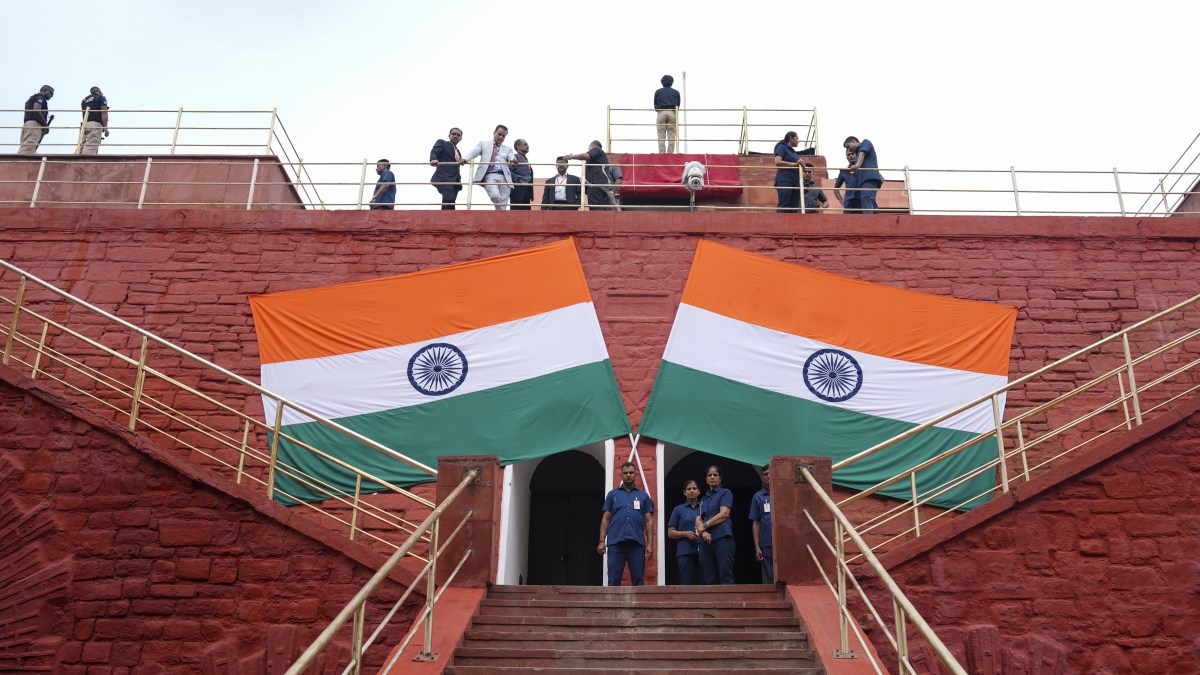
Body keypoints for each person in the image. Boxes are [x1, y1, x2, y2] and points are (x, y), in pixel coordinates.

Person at [598, 462, 654, 586]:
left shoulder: (643, 496)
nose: (628, 475)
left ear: (636, 475)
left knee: (638, 581)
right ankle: (613, 606)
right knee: (613, 580)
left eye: (631, 473)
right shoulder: (613, 494)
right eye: (625, 473)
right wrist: (602, 541)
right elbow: (605, 519)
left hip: (637, 544)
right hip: (615, 544)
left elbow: (649, 521)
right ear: (621, 475)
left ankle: (638, 606)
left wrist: (650, 545)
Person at [462, 125, 519, 210]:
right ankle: (502, 216)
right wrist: (465, 159)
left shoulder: (508, 149)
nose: (501, 137)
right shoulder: (483, 144)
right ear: (494, 133)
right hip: (490, 175)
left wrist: (513, 160)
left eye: (503, 136)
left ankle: (500, 220)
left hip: (505, 177)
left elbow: (511, 157)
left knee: (504, 202)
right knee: (495, 196)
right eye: (499, 134)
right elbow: (474, 152)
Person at [696, 464, 734, 585]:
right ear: (706, 479)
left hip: (722, 537)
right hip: (705, 541)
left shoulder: (725, 493)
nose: (712, 477)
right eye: (709, 475)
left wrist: (706, 525)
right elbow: (698, 519)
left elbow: (724, 514)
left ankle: (728, 604)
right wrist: (704, 532)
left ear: (720, 478)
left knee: (725, 574)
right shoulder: (703, 499)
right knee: (708, 576)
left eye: (715, 475)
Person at [564, 140, 620, 209]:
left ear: (593, 146)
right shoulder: (601, 159)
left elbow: (587, 156)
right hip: (603, 188)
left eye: (589, 148)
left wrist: (573, 156)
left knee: (596, 212)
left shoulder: (596, 149)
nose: (588, 150)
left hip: (595, 186)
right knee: (604, 212)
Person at [667, 479, 703, 585]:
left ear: (699, 491)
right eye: (689, 489)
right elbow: (670, 533)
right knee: (686, 583)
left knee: (704, 583)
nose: (692, 491)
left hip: (704, 551)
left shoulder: (704, 508)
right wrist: (685, 534)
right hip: (685, 551)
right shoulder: (678, 509)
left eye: (694, 488)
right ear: (684, 492)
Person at [844, 136, 883, 215]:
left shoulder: (865, 142)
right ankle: (872, 221)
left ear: (853, 141)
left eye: (848, 146)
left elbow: (862, 153)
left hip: (869, 180)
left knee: (866, 199)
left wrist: (857, 165)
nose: (848, 150)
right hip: (864, 181)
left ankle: (868, 222)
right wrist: (851, 173)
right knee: (867, 200)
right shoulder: (858, 155)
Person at [429, 127, 466, 210]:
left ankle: (442, 219)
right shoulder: (442, 143)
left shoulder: (458, 151)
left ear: (461, 138)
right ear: (449, 135)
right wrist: (433, 159)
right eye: (453, 134)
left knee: (447, 202)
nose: (455, 136)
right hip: (443, 178)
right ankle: (453, 219)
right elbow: (435, 151)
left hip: (455, 181)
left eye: (458, 135)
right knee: (450, 199)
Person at [749, 464, 774, 583]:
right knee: (770, 574)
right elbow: (756, 522)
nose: (768, 476)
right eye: (765, 474)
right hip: (766, 541)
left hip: (784, 540)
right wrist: (757, 547)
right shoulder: (757, 496)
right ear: (763, 477)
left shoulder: (783, 492)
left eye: (770, 473)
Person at [19, 85, 54, 155]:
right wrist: (45, 125)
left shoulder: (33, 98)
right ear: (44, 90)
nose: (51, 96)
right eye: (51, 93)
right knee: (28, 146)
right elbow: (36, 110)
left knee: (26, 146)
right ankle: (23, 162)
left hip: (28, 125)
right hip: (34, 125)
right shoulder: (40, 97)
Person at [773, 131, 804, 213]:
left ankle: (792, 225)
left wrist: (802, 165)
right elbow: (777, 162)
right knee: (784, 203)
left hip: (795, 181)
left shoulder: (794, 153)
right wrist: (795, 164)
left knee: (794, 207)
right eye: (797, 138)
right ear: (791, 138)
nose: (798, 141)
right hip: (785, 179)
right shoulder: (782, 147)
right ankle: (780, 224)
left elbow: (799, 166)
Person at [79, 86, 109, 155]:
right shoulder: (100, 98)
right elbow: (104, 113)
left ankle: (74, 163)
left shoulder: (84, 100)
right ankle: (85, 164)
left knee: (80, 147)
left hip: (84, 125)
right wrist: (106, 128)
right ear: (98, 91)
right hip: (95, 125)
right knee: (90, 146)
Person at [654, 74, 681, 153]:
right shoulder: (676, 92)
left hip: (661, 112)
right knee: (672, 135)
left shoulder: (658, 92)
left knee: (661, 134)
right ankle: (670, 153)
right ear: (672, 82)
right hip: (672, 112)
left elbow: (655, 106)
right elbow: (678, 106)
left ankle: (662, 153)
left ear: (662, 82)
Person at [510, 139, 534, 210]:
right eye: (525, 144)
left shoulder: (526, 159)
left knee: (526, 213)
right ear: (518, 146)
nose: (528, 146)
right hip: (518, 189)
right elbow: (510, 169)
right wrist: (516, 183)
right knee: (516, 211)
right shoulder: (515, 157)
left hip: (527, 190)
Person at [834, 148, 860, 214]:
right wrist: (840, 199)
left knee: (863, 222)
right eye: (848, 155)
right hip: (849, 202)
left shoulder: (865, 169)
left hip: (861, 200)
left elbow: (878, 179)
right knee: (847, 222)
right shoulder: (844, 172)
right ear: (846, 158)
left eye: (852, 154)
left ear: (857, 155)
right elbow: (835, 189)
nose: (851, 156)